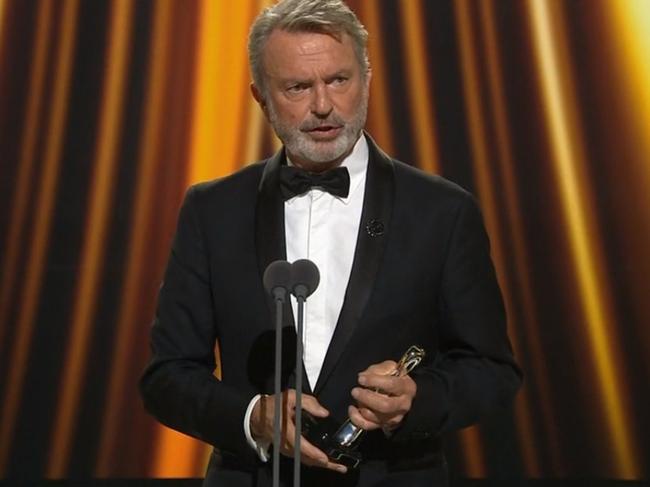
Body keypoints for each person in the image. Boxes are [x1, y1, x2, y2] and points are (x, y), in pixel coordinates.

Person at [139, 1, 522, 486]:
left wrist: (416, 399)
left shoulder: (443, 211)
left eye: (338, 80)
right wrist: (253, 416)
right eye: (298, 87)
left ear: (367, 78)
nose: (323, 104)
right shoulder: (212, 209)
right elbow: (166, 377)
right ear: (261, 97)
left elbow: (492, 370)